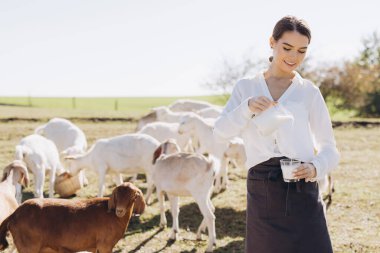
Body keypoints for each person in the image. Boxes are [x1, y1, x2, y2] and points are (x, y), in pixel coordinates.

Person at [213, 16, 340, 253]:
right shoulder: (246, 87)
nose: (294, 57)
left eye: (302, 51)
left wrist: (315, 168)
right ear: (272, 42)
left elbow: (330, 149)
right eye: (287, 48)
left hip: (302, 186)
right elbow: (220, 133)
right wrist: (247, 108)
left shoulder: (309, 92)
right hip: (264, 190)